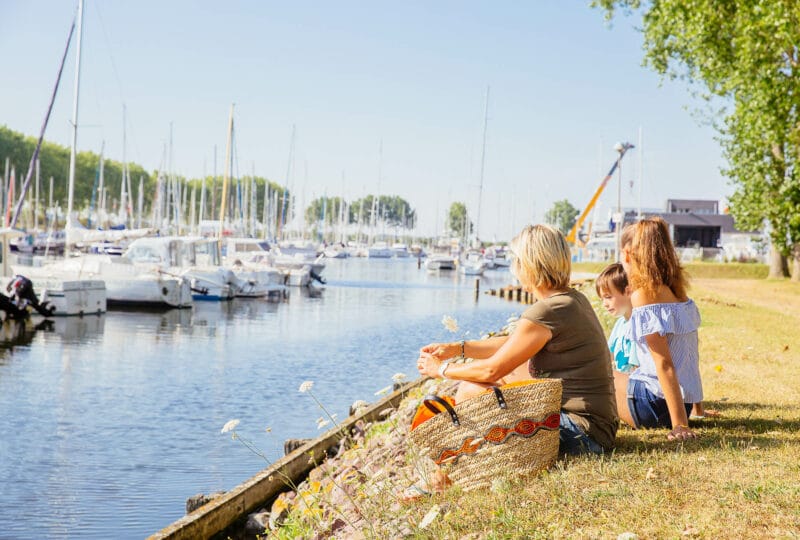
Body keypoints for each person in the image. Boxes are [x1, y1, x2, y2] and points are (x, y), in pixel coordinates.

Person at [417, 224, 618, 456]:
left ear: (529, 265)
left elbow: (489, 371)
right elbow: (513, 342)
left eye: (517, 262)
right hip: (597, 430)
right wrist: (456, 349)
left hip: (582, 435)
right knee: (499, 381)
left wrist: (440, 369)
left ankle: (451, 472)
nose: (514, 269)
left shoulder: (549, 310)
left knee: (471, 391)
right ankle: (457, 467)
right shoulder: (571, 299)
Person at [614, 218, 705, 441]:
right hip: (679, 403)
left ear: (627, 254)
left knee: (595, 377)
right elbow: (688, 358)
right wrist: (695, 409)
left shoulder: (644, 296)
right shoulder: (679, 295)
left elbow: (664, 364)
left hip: (653, 406)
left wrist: (680, 425)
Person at [595, 263, 638, 374]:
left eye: (608, 297)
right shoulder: (620, 323)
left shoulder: (638, 325)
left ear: (628, 291)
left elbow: (636, 368)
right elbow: (609, 356)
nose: (605, 304)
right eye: (602, 299)